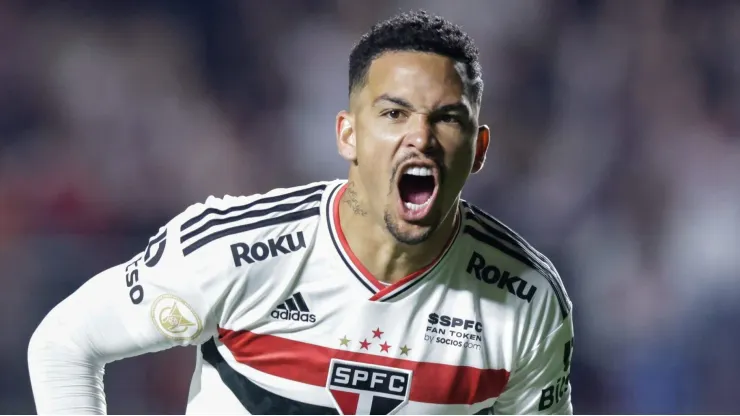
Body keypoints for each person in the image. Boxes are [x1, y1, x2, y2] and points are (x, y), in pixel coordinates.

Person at [28, 10, 574, 415]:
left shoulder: (525, 298)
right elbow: (65, 344)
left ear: (478, 150)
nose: (420, 139)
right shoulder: (231, 250)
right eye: (394, 113)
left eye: (447, 119)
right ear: (348, 135)